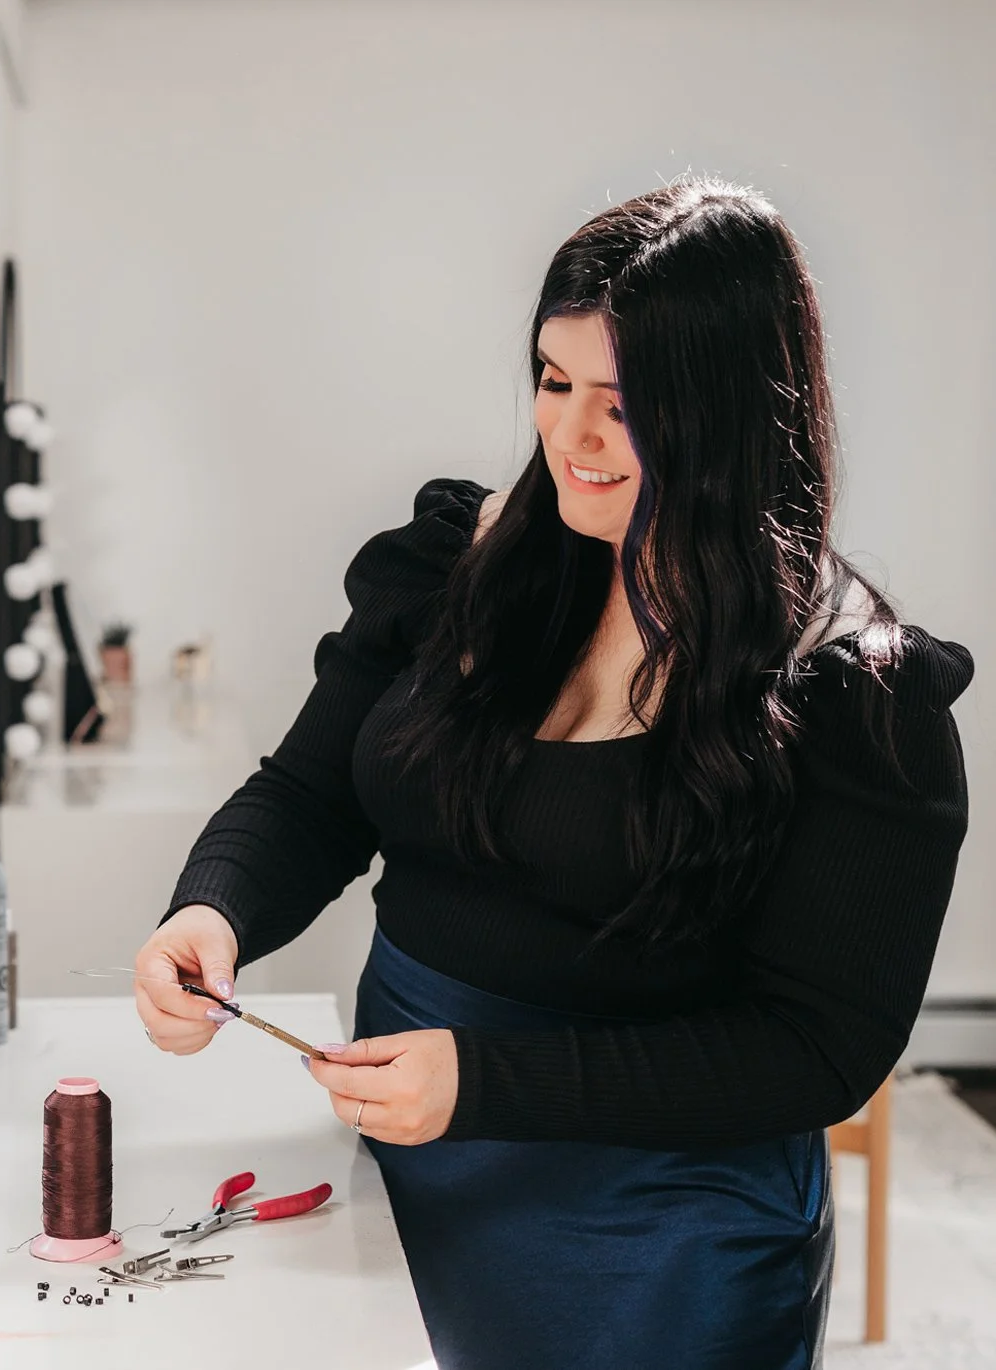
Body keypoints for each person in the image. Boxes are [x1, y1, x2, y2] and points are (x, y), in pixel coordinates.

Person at [133, 173, 974, 1370]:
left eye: (624, 404)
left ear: (730, 412)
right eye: (552, 379)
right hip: (411, 1171)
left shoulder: (857, 698)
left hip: (656, 1246)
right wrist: (212, 905)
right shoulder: (456, 566)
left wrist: (488, 1081)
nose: (571, 437)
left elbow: (818, 1049)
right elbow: (312, 791)